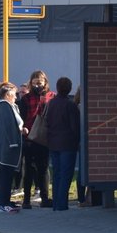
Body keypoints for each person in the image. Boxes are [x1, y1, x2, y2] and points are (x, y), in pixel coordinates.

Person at [0, 82, 25, 213]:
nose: (16, 97)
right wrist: (14, 140)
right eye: (14, 95)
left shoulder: (4, 106)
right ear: (8, 95)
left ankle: (2, 203)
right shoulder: (4, 106)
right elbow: (8, 127)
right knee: (5, 176)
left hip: (3, 146)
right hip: (7, 147)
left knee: (3, 175)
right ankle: (3, 203)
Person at [18, 70, 55, 209]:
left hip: (44, 138)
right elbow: (21, 117)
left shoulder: (51, 97)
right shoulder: (26, 99)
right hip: (30, 137)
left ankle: (44, 198)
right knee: (29, 168)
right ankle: (27, 199)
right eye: (34, 83)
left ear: (45, 82)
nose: (37, 85)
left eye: (39, 83)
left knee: (43, 168)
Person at [45, 76, 81, 211]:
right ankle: (62, 204)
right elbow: (75, 127)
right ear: (69, 89)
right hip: (67, 144)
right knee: (66, 174)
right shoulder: (70, 105)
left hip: (53, 142)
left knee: (57, 173)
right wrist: (77, 141)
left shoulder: (51, 103)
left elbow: (47, 122)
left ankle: (56, 204)